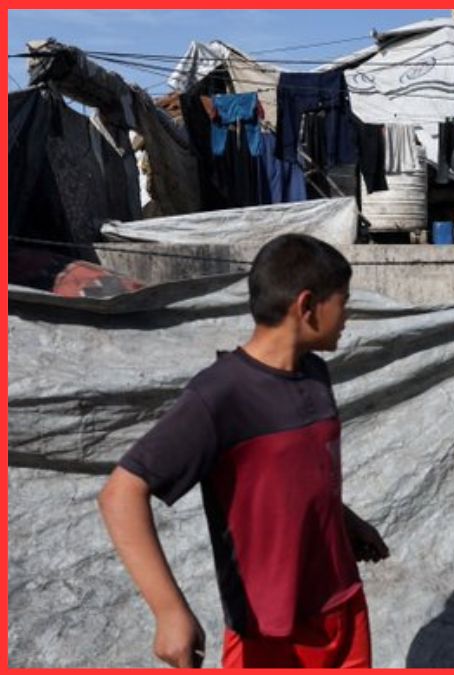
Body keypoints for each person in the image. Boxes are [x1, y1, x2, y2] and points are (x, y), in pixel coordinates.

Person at [96, 234, 390, 669]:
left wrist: (347, 521)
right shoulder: (220, 396)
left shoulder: (315, 373)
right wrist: (169, 611)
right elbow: (120, 495)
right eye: (343, 302)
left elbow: (297, 475)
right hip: (270, 632)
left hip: (341, 606)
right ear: (307, 306)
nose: (347, 315)